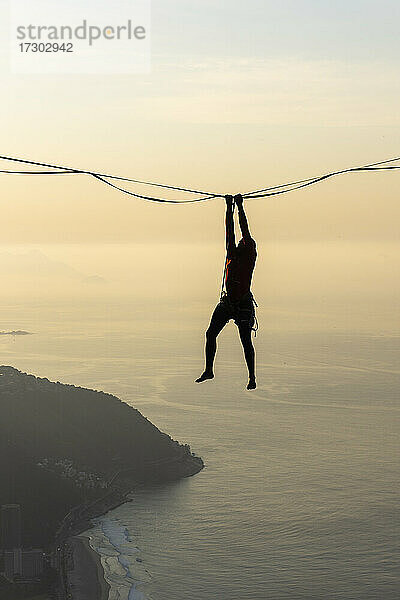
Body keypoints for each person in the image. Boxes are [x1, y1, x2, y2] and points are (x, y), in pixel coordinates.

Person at [196, 194, 257, 390]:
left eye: (243, 242)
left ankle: (252, 377)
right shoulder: (236, 253)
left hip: (238, 304)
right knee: (211, 334)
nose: (239, 242)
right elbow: (230, 231)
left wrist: (236, 206)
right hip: (233, 302)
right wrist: (230, 207)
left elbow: (240, 230)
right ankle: (209, 370)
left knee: (245, 341)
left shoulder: (246, 254)